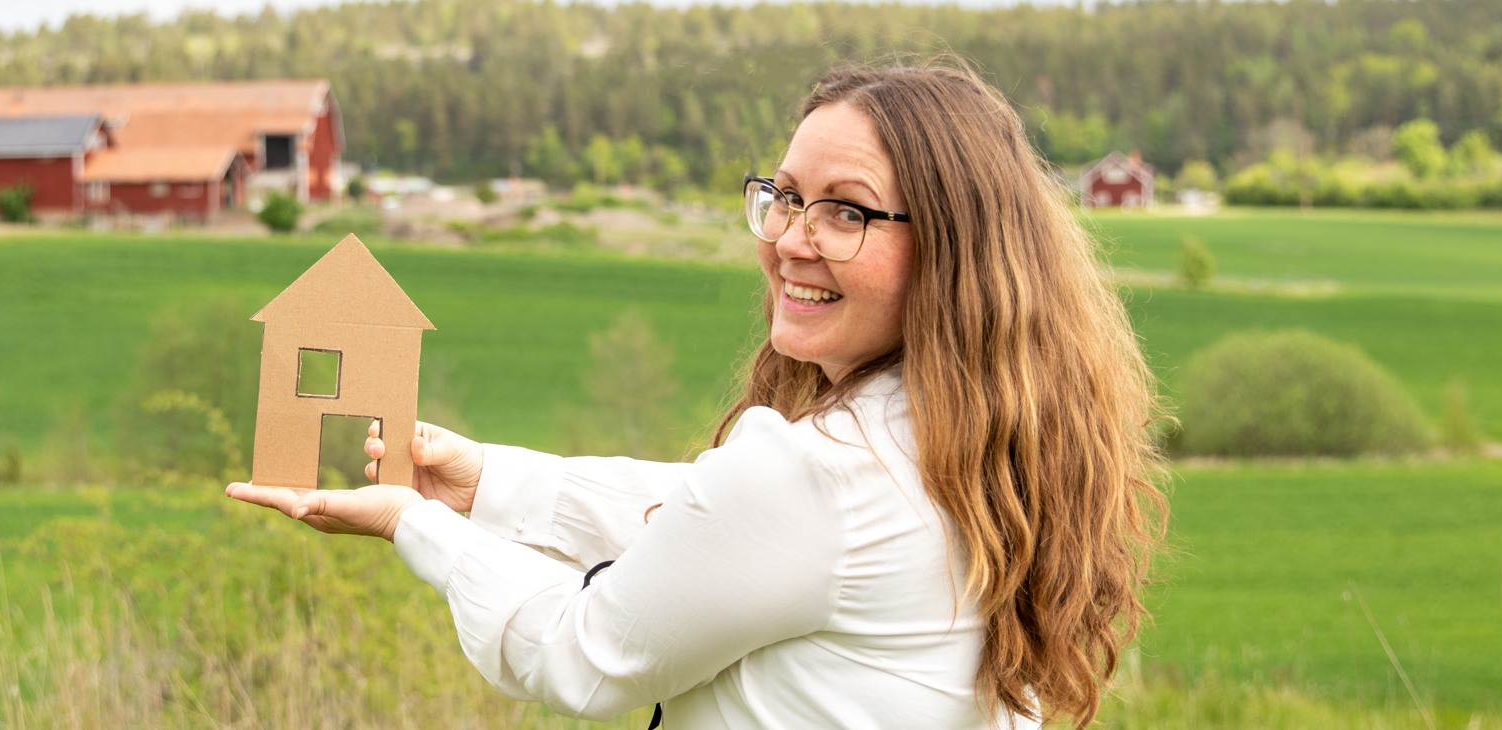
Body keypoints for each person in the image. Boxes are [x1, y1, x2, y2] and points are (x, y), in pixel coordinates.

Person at [229, 59, 1167, 729]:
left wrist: (413, 524)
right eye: (786, 196)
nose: (792, 238)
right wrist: (485, 483)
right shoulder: (973, 447)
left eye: (847, 210)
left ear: (955, 250)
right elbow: (714, 529)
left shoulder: (821, 477)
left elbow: (580, 654)